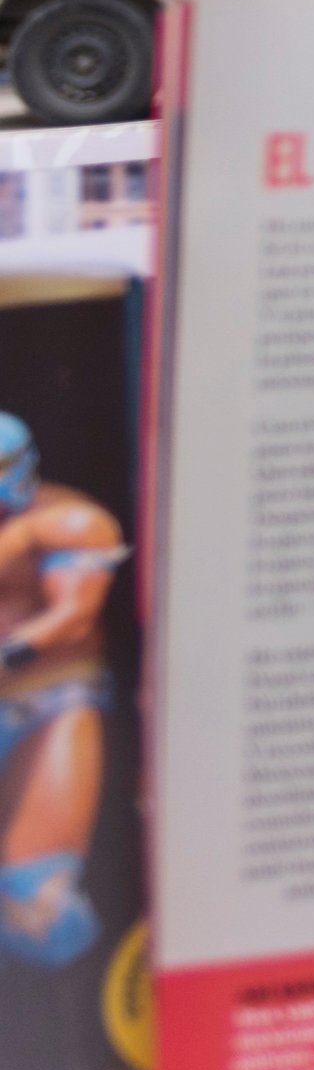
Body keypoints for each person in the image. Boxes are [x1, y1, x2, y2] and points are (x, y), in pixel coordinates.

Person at [0, 412, 123, 968]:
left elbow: (73, 615)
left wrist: (12, 651)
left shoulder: (66, 520)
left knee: (43, 913)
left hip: (45, 703)